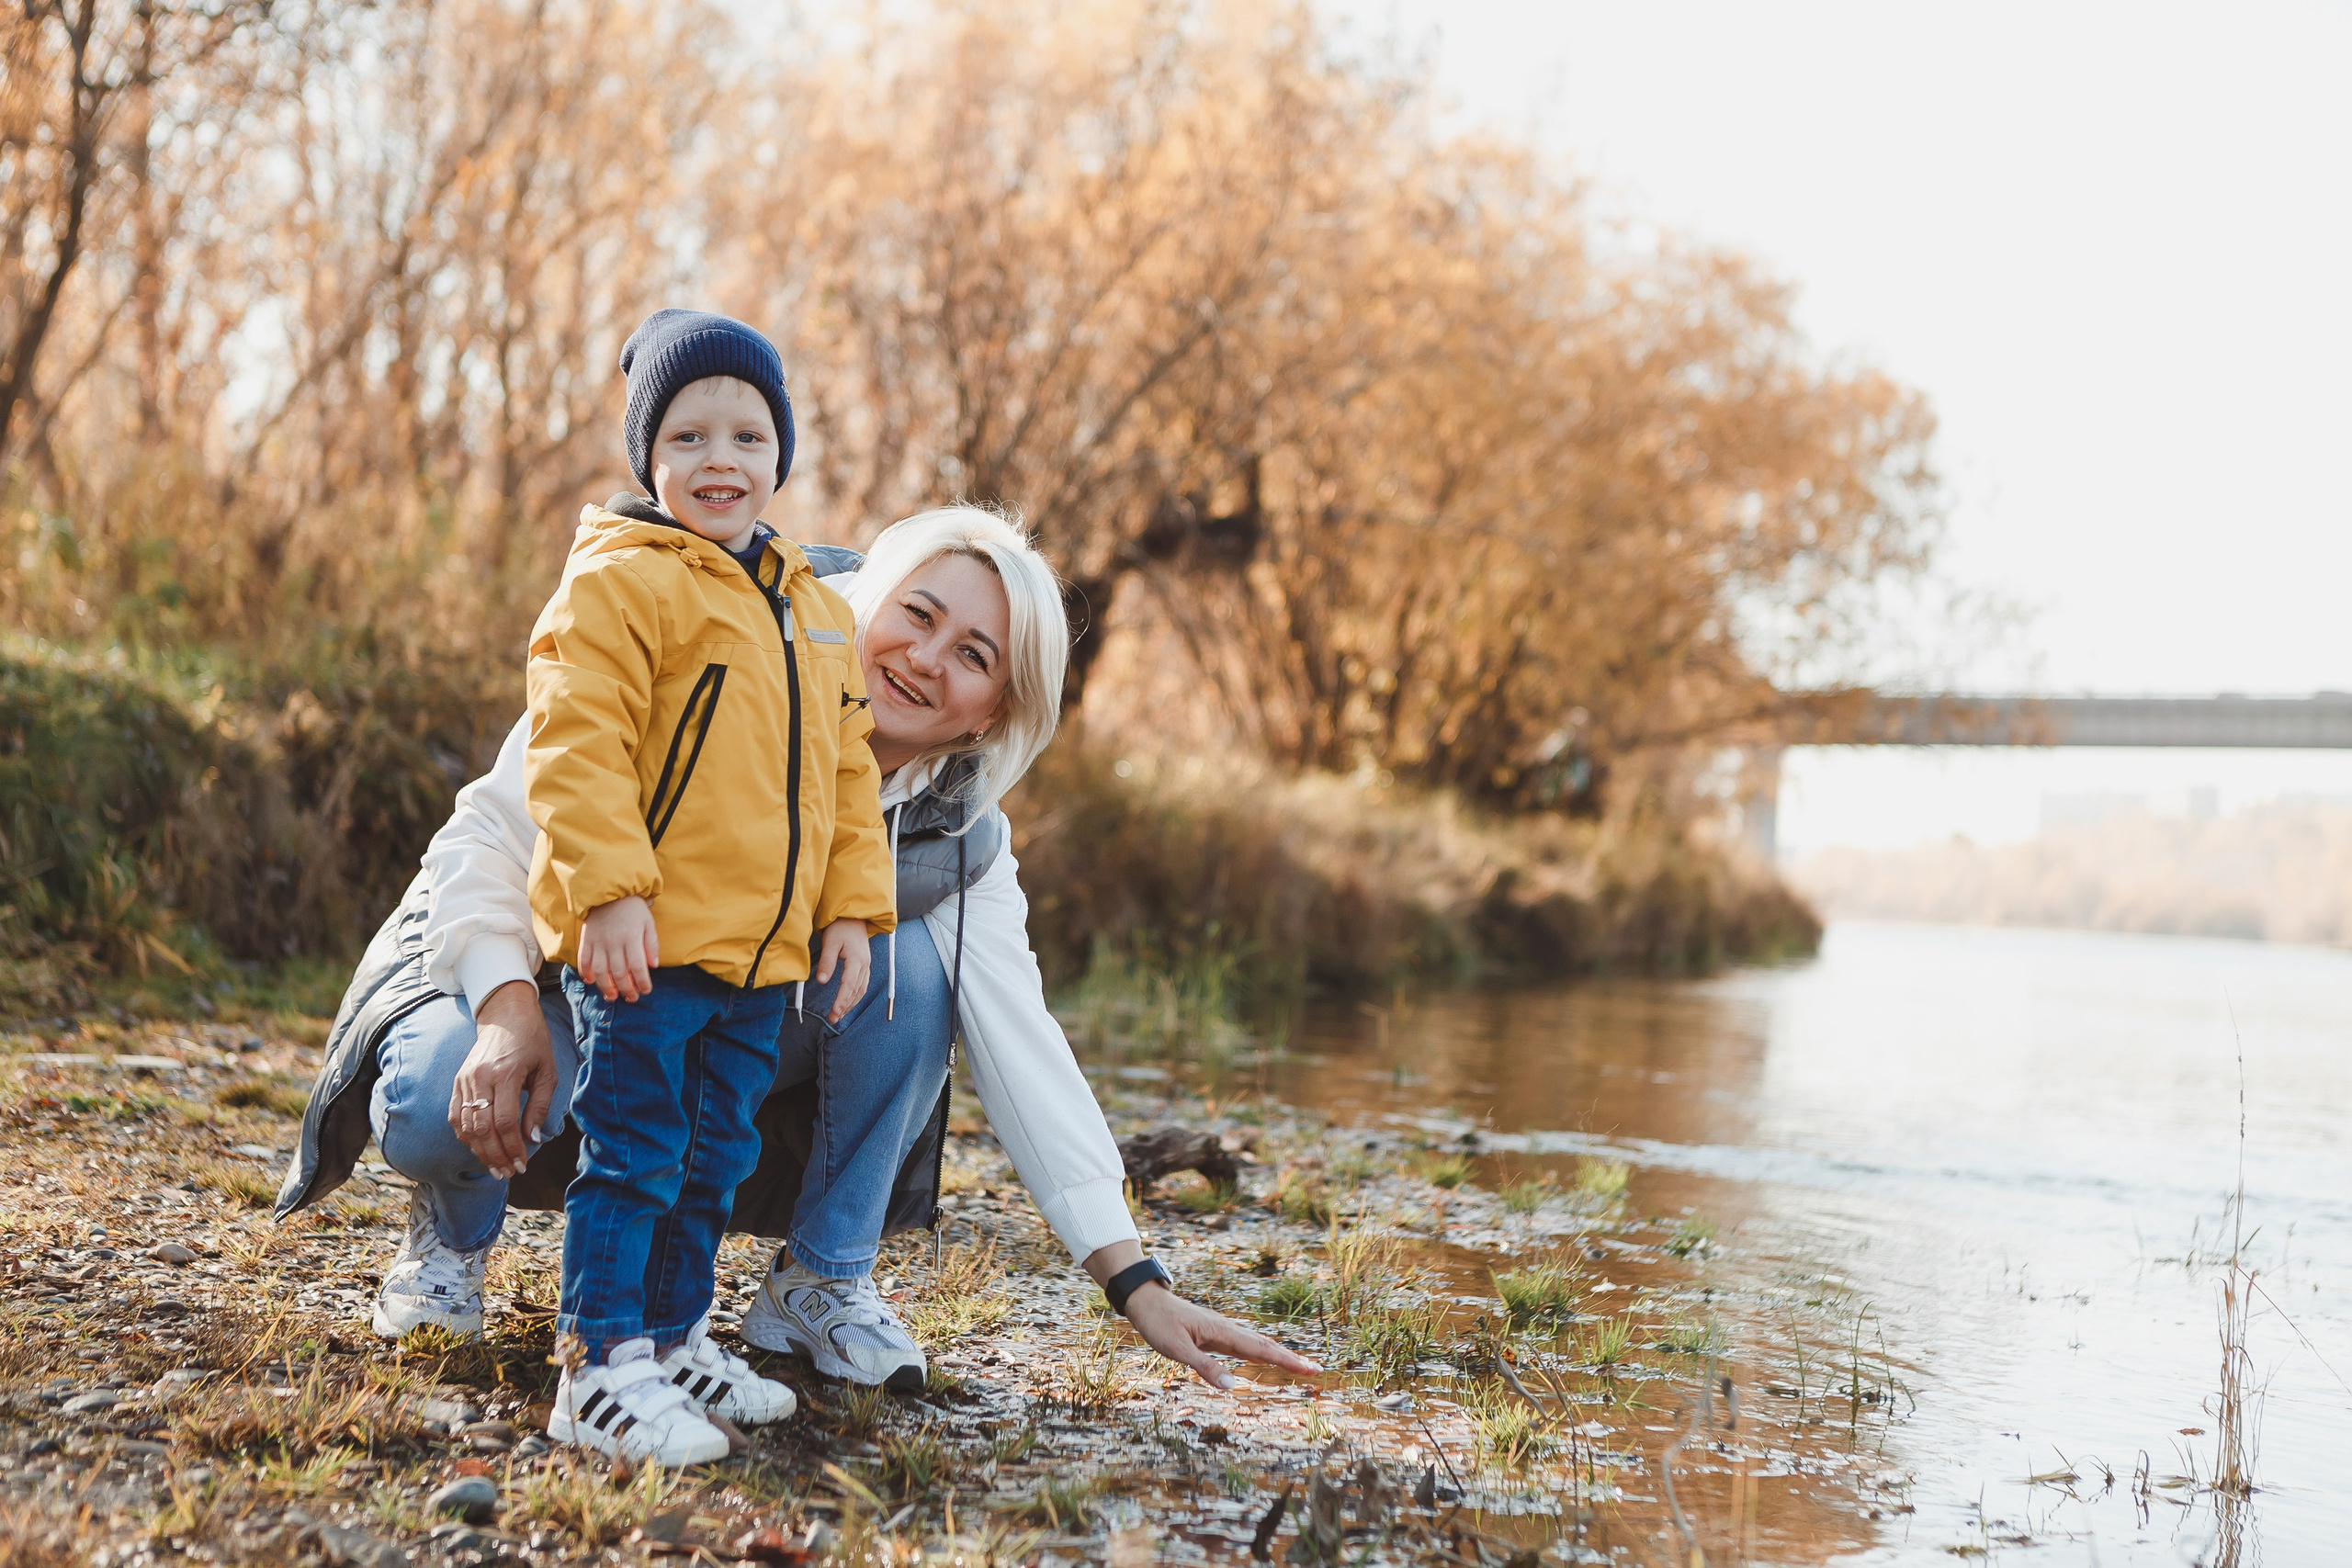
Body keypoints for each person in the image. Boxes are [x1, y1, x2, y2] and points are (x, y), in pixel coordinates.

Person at [277, 507, 1319, 1410]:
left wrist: (1133, 1278)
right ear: (867, 599)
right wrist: (505, 1007)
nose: (925, 659)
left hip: (707, 1071)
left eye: (974, 655)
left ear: (992, 711)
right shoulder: (700, 636)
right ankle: (453, 1237)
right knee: (426, 1100)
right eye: (918, 615)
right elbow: (489, 842)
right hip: (556, 1001)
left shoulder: (960, 839)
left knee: (913, 960)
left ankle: (819, 1285)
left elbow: (1021, 1046)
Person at [530, 308, 897, 1465]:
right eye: (687, 438)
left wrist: (850, 906)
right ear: (648, 457)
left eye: (747, 435)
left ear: (781, 454)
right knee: (635, 1152)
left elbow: (844, 773)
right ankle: (598, 1367)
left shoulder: (815, 608)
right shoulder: (620, 583)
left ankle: (675, 1333)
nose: (719, 461)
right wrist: (609, 888)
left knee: (715, 1158)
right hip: (648, 944)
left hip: (758, 954)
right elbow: (575, 743)